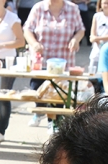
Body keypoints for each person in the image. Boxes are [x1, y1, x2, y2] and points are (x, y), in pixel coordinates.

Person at [24, 0, 85, 129]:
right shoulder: (38, 8)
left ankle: (55, 123)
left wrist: (75, 39)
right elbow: (27, 30)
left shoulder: (72, 8)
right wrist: (34, 43)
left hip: (62, 61)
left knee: (59, 94)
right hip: (41, 60)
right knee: (37, 89)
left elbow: (81, 29)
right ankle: (40, 111)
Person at [0, 0, 25, 144]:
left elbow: (21, 41)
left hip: (6, 61)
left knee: (3, 95)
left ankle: (1, 131)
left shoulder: (12, 18)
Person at [88, 0, 108, 74]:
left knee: (106, 72)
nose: (106, 5)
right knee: (92, 72)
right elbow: (93, 32)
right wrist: (95, 39)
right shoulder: (96, 16)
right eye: (104, 3)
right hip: (97, 48)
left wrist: (97, 38)